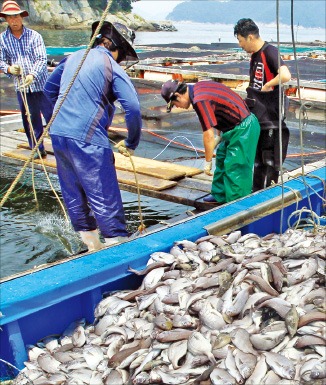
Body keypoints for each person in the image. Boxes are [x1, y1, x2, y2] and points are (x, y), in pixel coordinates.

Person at [44, 21, 142, 251]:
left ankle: (92, 248)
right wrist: (131, 142)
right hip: (87, 140)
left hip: (58, 135)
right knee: (105, 200)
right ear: (116, 47)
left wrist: (58, 122)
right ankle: (118, 255)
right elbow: (133, 107)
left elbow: (49, 90)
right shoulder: (110, 64)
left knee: (74, 195)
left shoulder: (73, 57)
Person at [161, 80, 260, 207]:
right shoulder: (198, 88)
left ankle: (237, 205)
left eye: (175, 104)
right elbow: (217, 110)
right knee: (222, 158)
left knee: (236, 167)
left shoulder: (199, 100)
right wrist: (219, 136)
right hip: (231, 127)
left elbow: (208, 134)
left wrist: (207, 161)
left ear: (178, 96)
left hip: (244, 128)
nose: (177, 107)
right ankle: (220, 195)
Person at [234, 18, 292, 191]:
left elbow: (286, 75)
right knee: (258, 159)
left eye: (241, 40)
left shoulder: (269, 52)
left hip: (271, 115)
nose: (240, 45)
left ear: (250, 37)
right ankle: (256, 192)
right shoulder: (255, 56)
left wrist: (268, 85)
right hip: (259, 114)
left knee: (269, 159)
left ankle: (269, 193)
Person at [0, 0, 52, 159]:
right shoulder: (2, 39)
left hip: (41, 84)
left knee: (51, 116)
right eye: (10, 17)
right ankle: (37, 147)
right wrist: (8, 69)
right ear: (6, 20)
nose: (13, 20)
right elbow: (1, 60)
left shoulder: (35, 36)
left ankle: (62, 148)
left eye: (16, 16)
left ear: (21, 17)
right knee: (30, 119)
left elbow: (42, 59)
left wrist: (32, 75)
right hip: (22, 87)